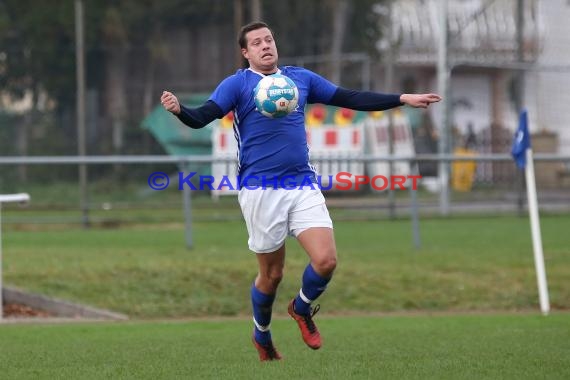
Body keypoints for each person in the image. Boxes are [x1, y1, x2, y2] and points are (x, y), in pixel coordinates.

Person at [161, 21, 441, 361]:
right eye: (257, 42)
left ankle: (302, 308)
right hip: (260, 190)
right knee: (272, 275)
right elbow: (203, 115)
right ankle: (261, 333)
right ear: (245, 52)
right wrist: (180, 112)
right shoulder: (238, 84)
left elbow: (349, 98)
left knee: (326, 261)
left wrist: (401, 98)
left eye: (269, 39)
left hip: (301, 184)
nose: (266, 45)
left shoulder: (300, 79)